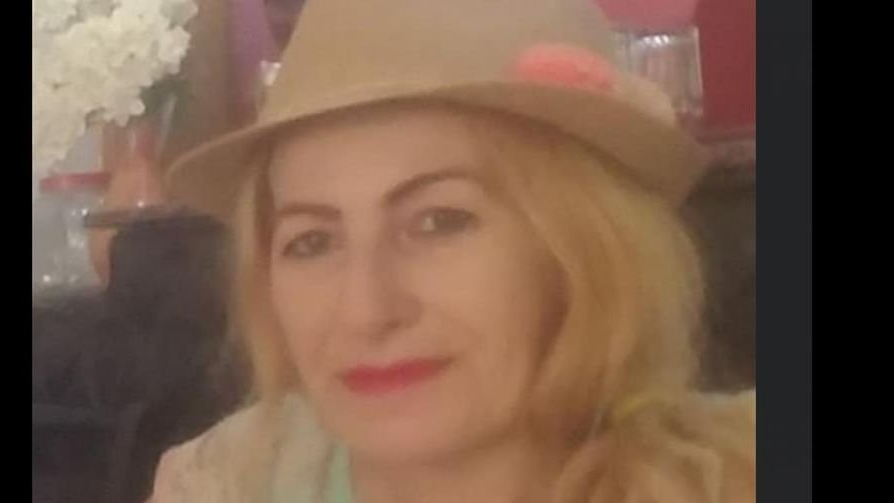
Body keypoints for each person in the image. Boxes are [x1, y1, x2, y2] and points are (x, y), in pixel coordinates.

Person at [148, 1, 755, 502]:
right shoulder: (226, 482)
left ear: (589, 248)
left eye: (439, 222)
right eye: (312, 241)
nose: (366, 311)